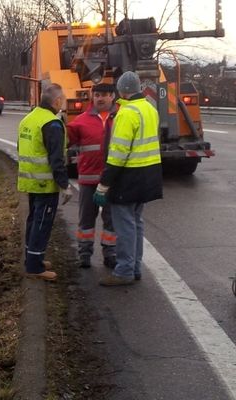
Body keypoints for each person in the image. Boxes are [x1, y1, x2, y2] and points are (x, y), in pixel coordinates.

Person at [93, 71, 163, 286]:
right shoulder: (150, 109)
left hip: (128, 177)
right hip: (149, 174)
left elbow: (118, 154)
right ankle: (135, 267)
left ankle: (124, 271)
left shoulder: (126, 113)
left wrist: (104, 184)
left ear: (121, 91)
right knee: (137, 223)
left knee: (125, 227)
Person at [17, 83, 73, 282]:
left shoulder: (29, 119)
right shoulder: (52, 124)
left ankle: (32, 258)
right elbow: (56, 159)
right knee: (42, 223)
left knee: (34, 219)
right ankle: (34, 266)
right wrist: (65, 185)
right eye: (63, 99)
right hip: (45, 183)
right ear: (57, 101)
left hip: (29, 180)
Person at [67, 83, 118, 269]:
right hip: (88, 180)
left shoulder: (121, 118)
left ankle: (110, 253)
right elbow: (63, 139)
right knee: (86, 219)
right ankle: (84, 253)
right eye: (96, 95)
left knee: (111, 220)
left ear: (112, 96)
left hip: (112, 180)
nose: (100, 98)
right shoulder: (81, 120)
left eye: (104, 95)